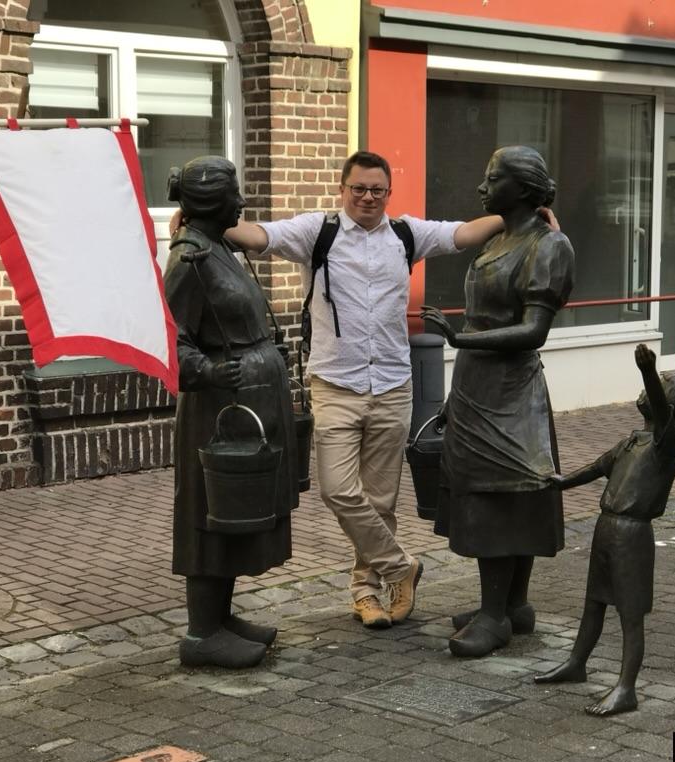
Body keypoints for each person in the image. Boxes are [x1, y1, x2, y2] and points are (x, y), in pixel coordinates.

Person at [172, 150, 505, 628]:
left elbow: (463, 233)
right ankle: (401, 568)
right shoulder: (317, 232)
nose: (367, 197)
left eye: (377, 190)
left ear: (388, 193)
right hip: (336, 384)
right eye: (359, 188)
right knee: (339, 490)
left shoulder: (406, 234)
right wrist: (199, 222)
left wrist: (517, 214)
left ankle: (370, 593)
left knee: (380, 499)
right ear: (343, 188)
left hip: (392, 383)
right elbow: (259, 236)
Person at [421, 146, 574, 658]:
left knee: (505, 494)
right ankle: (513, 605)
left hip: (510, 391)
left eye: (493, 179)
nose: (482, 188)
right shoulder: (500, 238)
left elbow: (534, 331)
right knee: (497, 494)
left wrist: (462, 341)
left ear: (524, 187)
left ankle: (495, 617)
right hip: (477, 385)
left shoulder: (548, 246)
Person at [164, 156, 298, 668]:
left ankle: (220, 617)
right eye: (233, 195)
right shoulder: (190, 259)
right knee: (208, 508)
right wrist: (208, 372)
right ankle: (201, 633)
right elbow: (172, 340)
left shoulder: (219, 247)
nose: (241, 203)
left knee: (237, 506)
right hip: (217, 407)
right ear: (208, 201)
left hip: (247, 400)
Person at [534, 345, 675, 716]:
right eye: (653, 383)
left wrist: (648, 370)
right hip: (607, 527)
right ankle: (576, 663)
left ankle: (626, 687)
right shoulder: (633, 440)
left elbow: (662, 416)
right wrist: (561, 483)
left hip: (633, 534)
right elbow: (598, 467)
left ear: (668, 408)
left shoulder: (668, 444)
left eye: (659, 388)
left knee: (630, 614)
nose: (648, 391)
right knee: (594, 602)